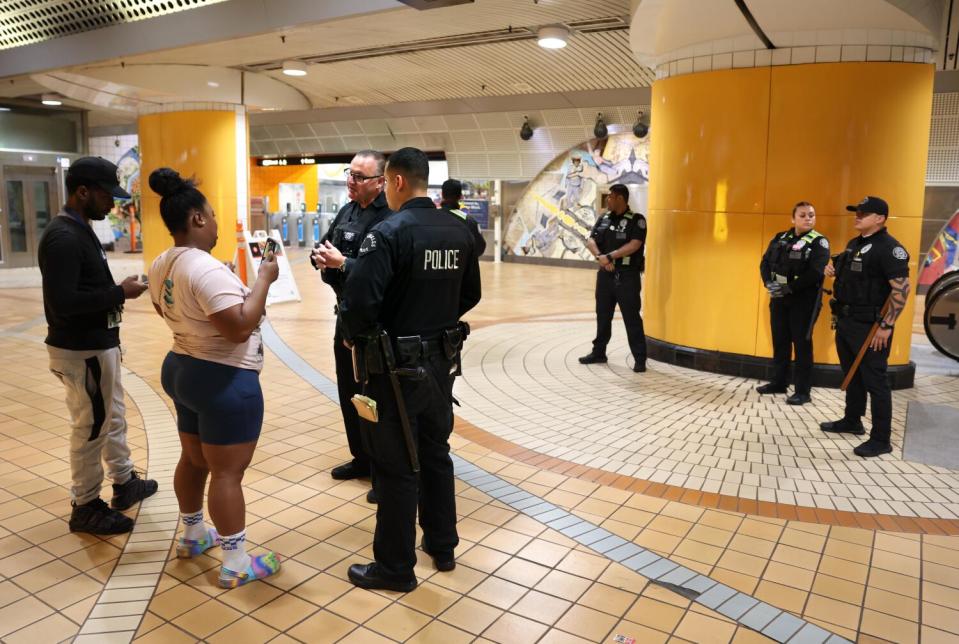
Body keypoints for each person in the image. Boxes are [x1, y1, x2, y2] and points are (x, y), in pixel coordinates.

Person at [339, 147, 482, 592]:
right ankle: (442, 544)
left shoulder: (388, 233)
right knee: (436, 452)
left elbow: (361, 303)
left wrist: (355, 334)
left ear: (397, 182)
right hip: (442, 364)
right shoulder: (459, 231)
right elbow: (470, 294)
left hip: (394, 370)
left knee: (396, 464)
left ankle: (395, 567)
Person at [147, 167, 281, 588]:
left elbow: (164, 311)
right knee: (227, 474)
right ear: (197, 219)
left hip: (181, 368)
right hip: (223, 380)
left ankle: (192, 535)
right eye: (213, 214)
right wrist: (263, 279)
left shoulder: (161, 262)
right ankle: (236, 562)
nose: (218, 222)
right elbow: (240, 325)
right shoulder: (204, 268)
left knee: (193, 459)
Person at [39, 156, 157, 535]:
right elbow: (64, 302)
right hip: (81, 350)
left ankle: (124, 483)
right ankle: (86, 505)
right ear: (83, 191)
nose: (114, 204)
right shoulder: (63, 237)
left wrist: (114, 292)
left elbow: (83, 289)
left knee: (112, 416)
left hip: (98, 345)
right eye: (109, 195)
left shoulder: (80, 228)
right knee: (91, 427)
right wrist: (118, 292)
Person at [312, 151, 391, 503]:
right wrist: (320, 257)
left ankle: (383, 470)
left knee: (375, 398)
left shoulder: (390, 216)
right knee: (349, 392)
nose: (352, 180)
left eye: (360, 176)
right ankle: (361, 458)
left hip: (374, 324)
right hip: (345, 318)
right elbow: (327, 244)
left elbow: (382, 275)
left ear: (381, 182)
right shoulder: (348, 211)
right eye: (350, 173)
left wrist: (343, 264)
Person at [821, 196, 910, 458]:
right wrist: (833, 268)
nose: (857, 216)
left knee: (875, 381)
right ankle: (852, 420)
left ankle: (881, 439)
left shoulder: (890, 248)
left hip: (871, 326)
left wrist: (886, 325)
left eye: (864, 213)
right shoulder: (855, 244)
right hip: (847, 321)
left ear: (880, 218)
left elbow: (901, 290)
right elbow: (853, 273)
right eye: (856, 212)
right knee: (853, 374)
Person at [757, 202, 829, 405]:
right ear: (793, 219)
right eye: (803, 215)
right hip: (778, 299)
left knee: (802, 345)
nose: (808, 218)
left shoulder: (819, 242)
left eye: (812, 215)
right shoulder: (780, 238)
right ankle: (779, 382)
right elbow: (765, 262)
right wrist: (768, 283)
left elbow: (816, 272)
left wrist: (789, 288)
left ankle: (803, 392)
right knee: (780, 342)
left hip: (803, 302)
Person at [578, 184, 648, 372]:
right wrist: (601, 257)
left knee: (631, 318)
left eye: (610, 197)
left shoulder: (637, 220)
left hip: (627, 277)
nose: (607, 199)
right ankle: (599, 352)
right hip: (605, 277)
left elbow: (634, 244)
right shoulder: (604, 218)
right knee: (602, 316)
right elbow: (590, 240)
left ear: (619, 198)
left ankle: (640, 359)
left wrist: (610, 257)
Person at [439, 178, 486, 255]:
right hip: (461, 265)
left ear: (442, 194)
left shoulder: (431, 216)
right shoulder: (470, 221)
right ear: (460, 196)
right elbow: (480, 247)